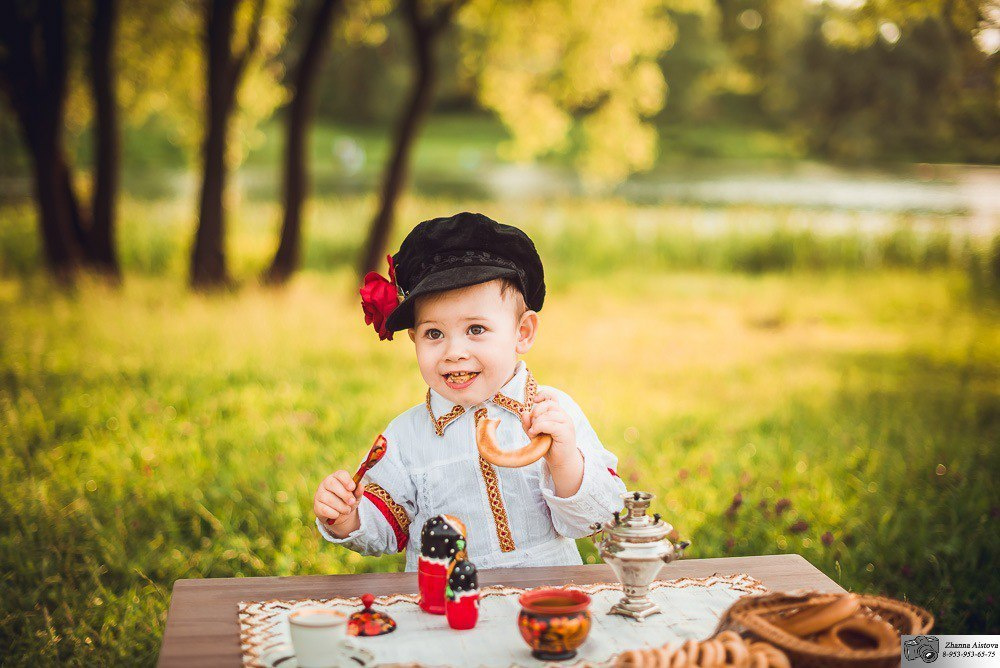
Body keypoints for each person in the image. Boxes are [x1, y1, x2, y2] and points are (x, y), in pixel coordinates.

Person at [313, 212, 626, 570]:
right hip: (443, 606)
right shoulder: (404, 436)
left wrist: (564, 460)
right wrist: (346, 516)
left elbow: (600, 519)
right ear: (414, 339)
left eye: (476, 329)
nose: (453, 351)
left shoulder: (554, 415)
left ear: (521, 333)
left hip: (544, 600)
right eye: (434, 333)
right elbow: (385, 529)